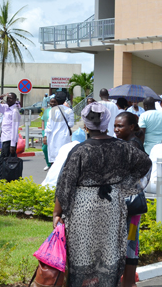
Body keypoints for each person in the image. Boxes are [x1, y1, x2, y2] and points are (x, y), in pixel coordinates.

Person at [53, 103, 151, 287]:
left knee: (82, 255)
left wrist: (57, 213)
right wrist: (122, 186)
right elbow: (145, 164)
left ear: (85, 126)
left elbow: (65, 184)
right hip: (112, 206)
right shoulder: (123, 148)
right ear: (107, 124)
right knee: (109, 254)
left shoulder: (79, 150)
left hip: (83, 209)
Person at [114, 112, 150, 287]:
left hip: (131, 206)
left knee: (130, 242)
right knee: (128, 242)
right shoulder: (128, 144)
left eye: (120, 126)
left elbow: (145, 169)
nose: (116, 129)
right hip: (128, 204)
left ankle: (128, 282)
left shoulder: (133, 146)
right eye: (115, 125)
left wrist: (132, 188)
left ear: (132, 127)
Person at [0, 93, 21, 180]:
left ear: (15, 100)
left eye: (11, 99)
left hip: (9, 139)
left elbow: (15, 129)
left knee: (4, 160)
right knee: (7, 160)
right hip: (4, 138)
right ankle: (8, 177)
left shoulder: (15, 111)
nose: (9, 100)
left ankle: (3, 177)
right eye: (8, 98)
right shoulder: (5, 108)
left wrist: (12, 144)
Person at [45, 91, 76, 167]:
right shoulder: (69, 110)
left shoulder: (52, 110)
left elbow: (49, 126)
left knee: (54, 161)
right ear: (65, 100)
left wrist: (45, 136)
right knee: (64, 159)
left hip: (53, 137)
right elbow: (71, 124)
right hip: (64, 137)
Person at [41, 97, 55, 171]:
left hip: (54, 133)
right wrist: (43, 130)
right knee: (44, 148)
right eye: (51, 102)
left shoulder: (57, 110)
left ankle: (54, 164)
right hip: (46, 132)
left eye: (54, 102)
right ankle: (48, 164)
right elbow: (43, 120)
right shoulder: (46, 110)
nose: (52, 103)